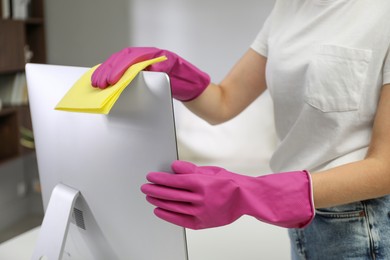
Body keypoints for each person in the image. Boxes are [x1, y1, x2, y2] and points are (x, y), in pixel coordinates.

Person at [91, 1, 390, 259]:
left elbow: (385, 167)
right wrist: (174, 71)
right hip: (301, 220)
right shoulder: (289, 6)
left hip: (362, 224)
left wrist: (250, 193)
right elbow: (224, 101)